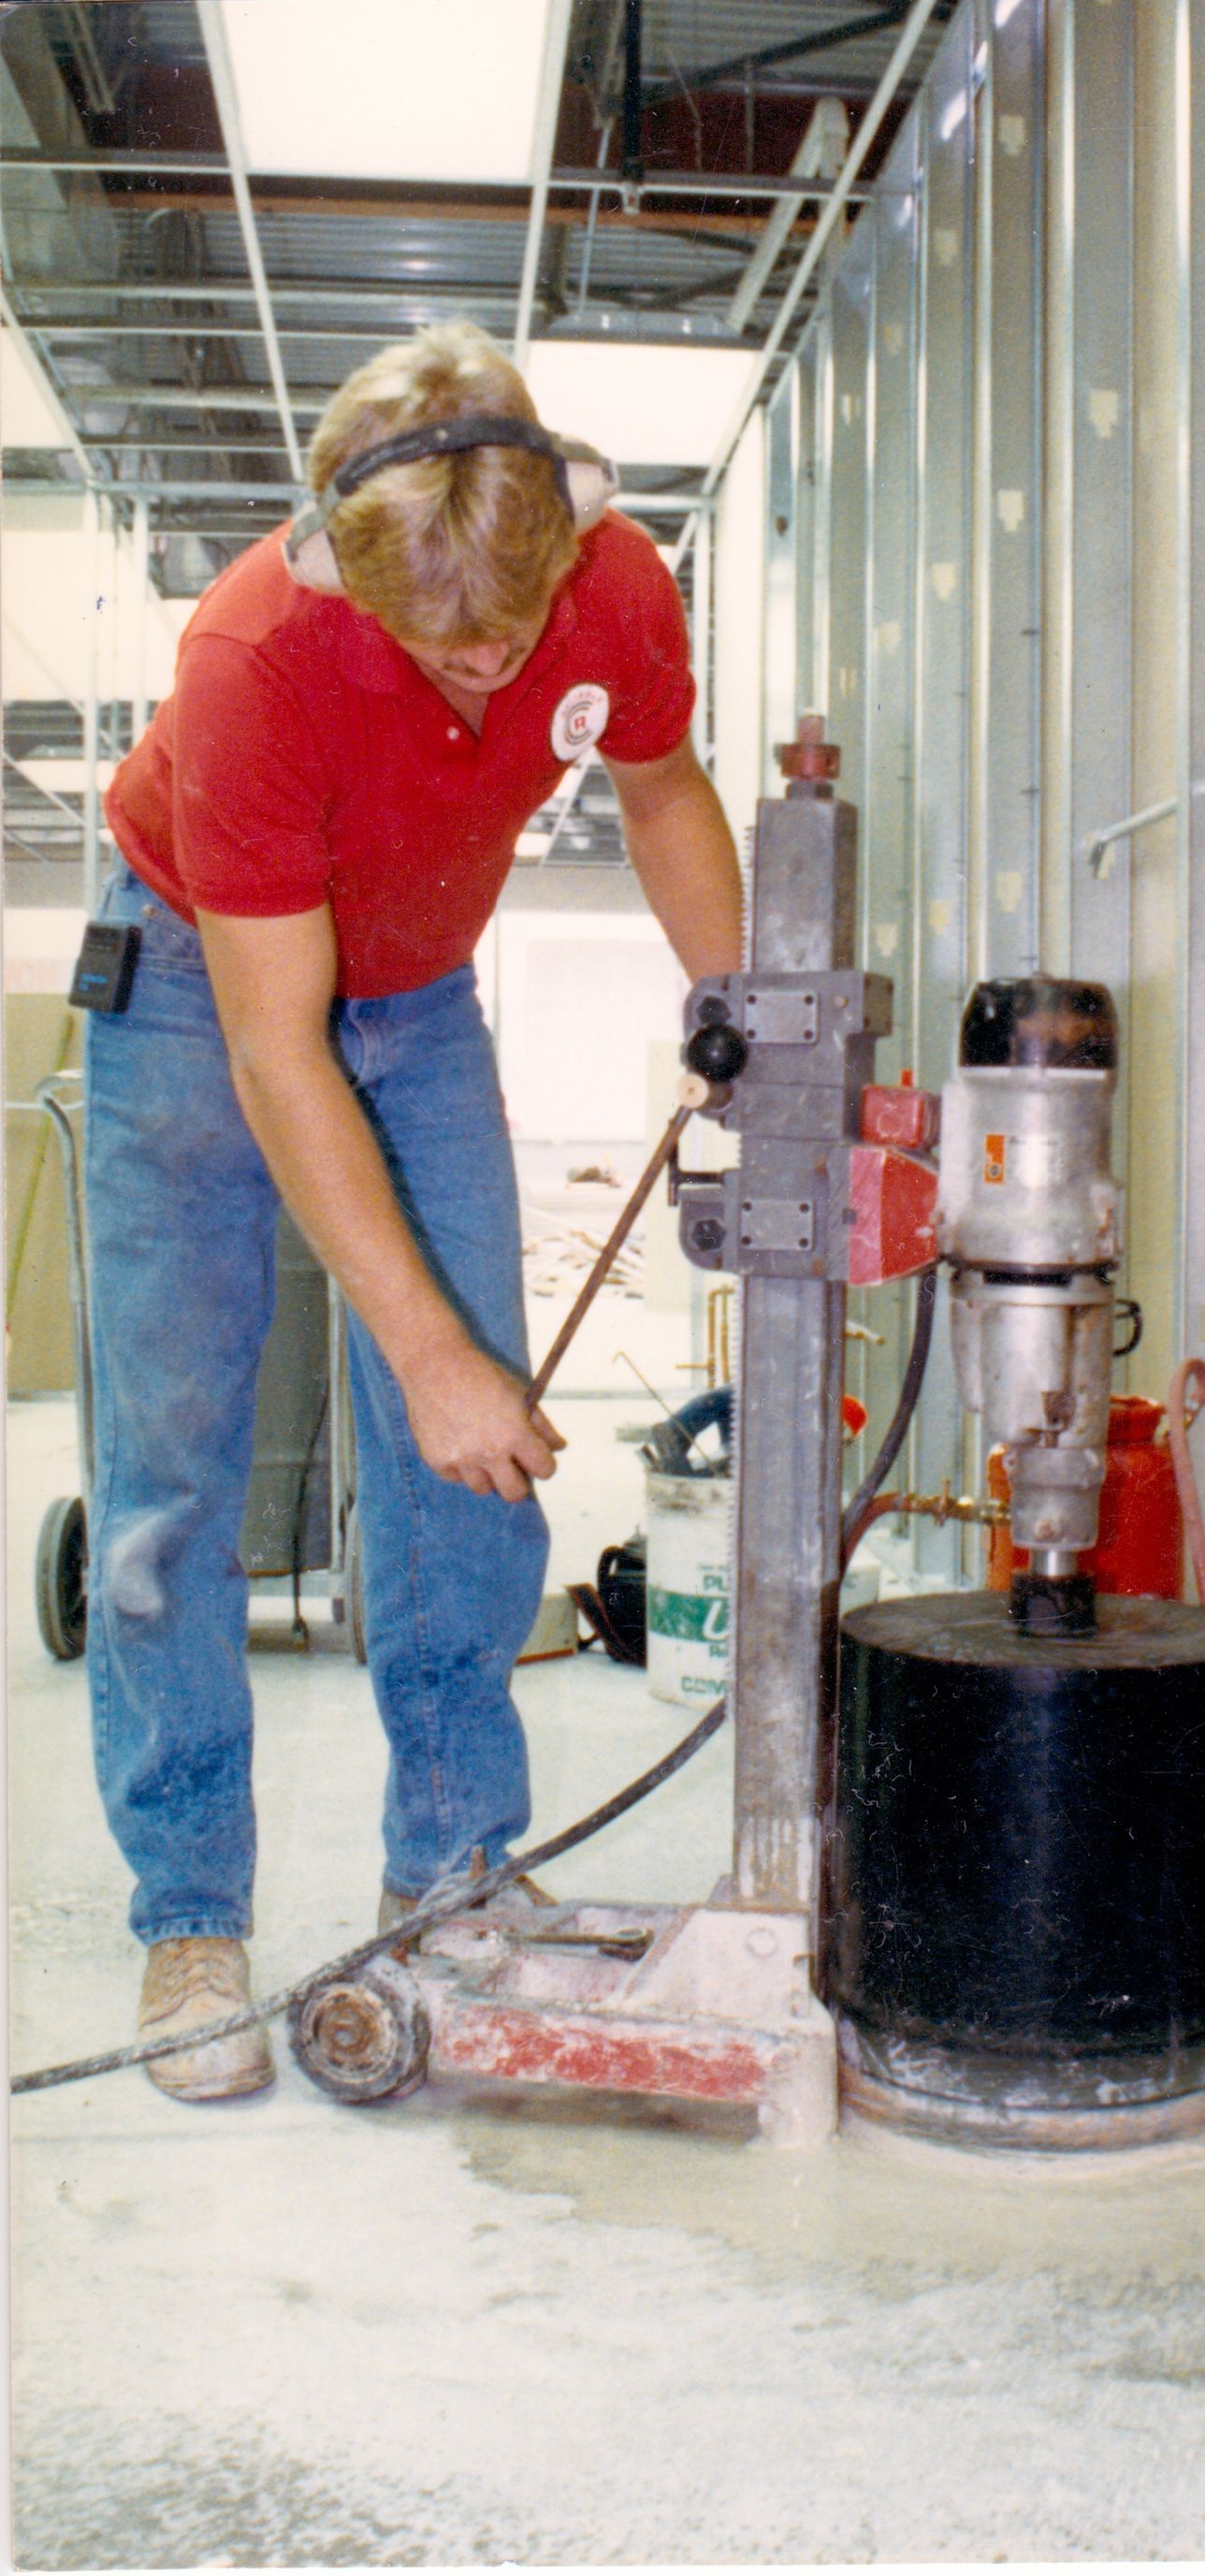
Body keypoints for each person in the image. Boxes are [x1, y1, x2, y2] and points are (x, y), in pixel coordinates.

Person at [92, 322, 744, 2102]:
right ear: (343, 573)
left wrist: (756, 1023)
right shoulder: (253, 655)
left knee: (478, 1454)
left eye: (508, 636)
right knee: (173, 1464)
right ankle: (190, 1911)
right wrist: (424, 1349)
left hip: (420, 986)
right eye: (438, 645)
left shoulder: (616, 584)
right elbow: (275, 1049)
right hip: (193, 987)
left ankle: (450, 1864)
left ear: (563, 541)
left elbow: (663, 789)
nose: (480, 673)